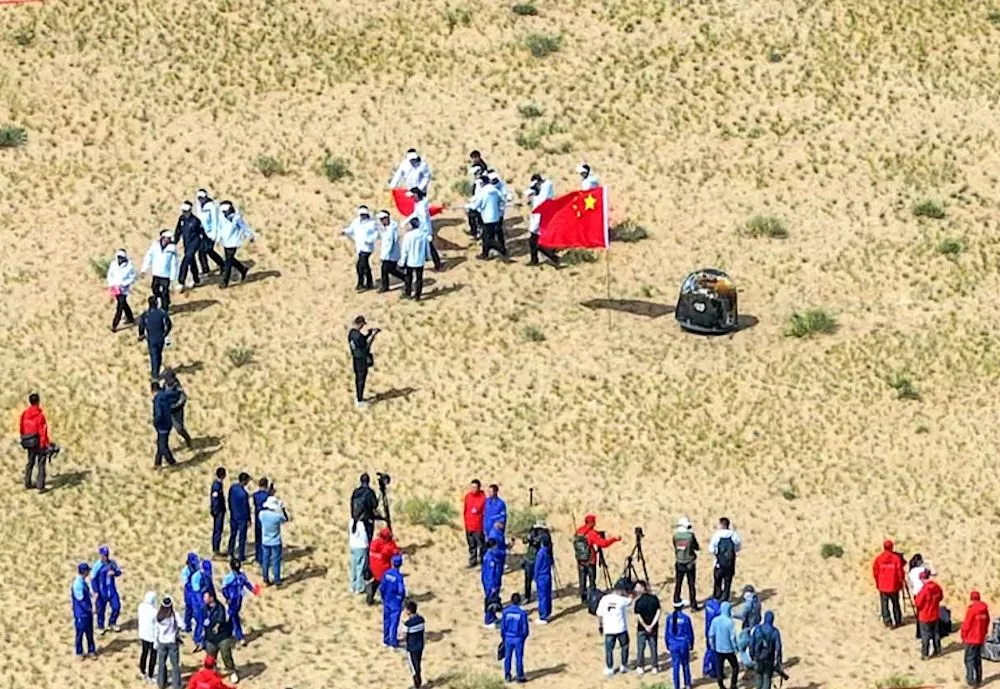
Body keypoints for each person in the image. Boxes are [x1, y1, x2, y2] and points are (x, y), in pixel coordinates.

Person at [574, 514, 621, 604]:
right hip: (590, 560)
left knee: (582, 580)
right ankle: (592, 598)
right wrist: (614, 539)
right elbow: (603, 543)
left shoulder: (579, 532)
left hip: (580, 560)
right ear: (592, 523)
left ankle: (583, 599)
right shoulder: (591, 533)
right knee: (592, 581)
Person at [596, 581, 633, 676]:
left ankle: (609, 668)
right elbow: (630, 600)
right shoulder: (622, 600)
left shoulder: (604, 599)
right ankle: (623, 666)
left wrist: (600, 626)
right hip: (621, 628)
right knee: (624, 646)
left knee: (609, 649)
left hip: (609, 629)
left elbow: (599, 614)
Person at [203, 589, 239, 684]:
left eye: (206, 597)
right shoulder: (205, 608)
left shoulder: (220, 608)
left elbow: (221, 619)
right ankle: (212, 673)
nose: (204, 599)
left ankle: (232, 672)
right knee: (210, 657)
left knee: (226, 655)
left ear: (211, 598)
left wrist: (217, 626)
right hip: (210, 638)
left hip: (222, 637)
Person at [217, 200, 254, 288]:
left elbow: (244, 227)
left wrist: (250, 235)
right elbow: (220, 227)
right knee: (230, 259)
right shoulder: (221, 216)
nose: (224, 213)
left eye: (226, 211)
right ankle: (242, 269)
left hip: (233, 242)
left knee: (228, 262)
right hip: (226, 241)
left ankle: (224, 282)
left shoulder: (236, 218)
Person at [525, 173, 560, 267]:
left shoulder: (538, 201)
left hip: (538, 223)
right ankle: (536, 259)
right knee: (535, 243)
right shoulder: (543, 193)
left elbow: (536, 217)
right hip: (543, 219)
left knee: (535, 243)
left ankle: (552, 257)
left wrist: (534, 229)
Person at [467, 175, 505, 260]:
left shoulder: (483, 192)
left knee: (487, 239)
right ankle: (485, 254)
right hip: (496, 217)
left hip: (487, 218)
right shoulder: (495, 190)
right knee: (487, 237)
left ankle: (501, 249)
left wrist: (468, 206)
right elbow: (502, 199)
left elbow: (476, 205)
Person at [141, 229, 179, 311]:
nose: (167, 240)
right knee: (154, 289)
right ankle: (164, 300)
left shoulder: (172, 249)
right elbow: (148, 257)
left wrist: (173, 277)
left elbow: (174, 263)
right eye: (166, 238)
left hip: (166, 275)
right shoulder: (155, 246)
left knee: (165, 291)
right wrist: (144, 269)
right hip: (156, 273)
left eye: (169, 239)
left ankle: (165, 308)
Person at [19, 392, 51, 491]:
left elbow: (21, 427)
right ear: (38, 402)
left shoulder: (25, 413)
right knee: (41, 462)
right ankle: (40, 486)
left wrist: (23, 437)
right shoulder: (40, 415)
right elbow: (42, 431)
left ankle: (27, 482)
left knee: (30, 461)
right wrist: (45, 443)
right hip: (37, 441)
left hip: (28, 440)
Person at [221, 558, 257, 645]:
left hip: (239, 599)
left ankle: (226, 632)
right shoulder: (229, 578)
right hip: (232, 600)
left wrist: (253, 590)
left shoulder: (242, 576)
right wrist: (228, 598)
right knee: (235, 618)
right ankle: (239, 637)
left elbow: (247, 584)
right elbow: (224, 589)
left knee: (233, 616)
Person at [343, 205, 379, 291]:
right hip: (359, 247)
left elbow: (375, 234)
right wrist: (344, 231)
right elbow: (351, 229)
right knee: (365, 265)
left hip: (367, 248)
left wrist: (369, 240)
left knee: (360, 266)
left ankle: (361, 283)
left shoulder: (372, 223)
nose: (362, 216)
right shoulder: (356, 221)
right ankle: (369, 283)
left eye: (364, 214)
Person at [407, 186, 442, 271]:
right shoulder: (418, 203)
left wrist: (427, 233)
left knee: (430, 247)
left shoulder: (422, 206)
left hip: (424, 230)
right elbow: (415, 213)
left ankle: (437, 264)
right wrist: (406, 220)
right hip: (421, 228)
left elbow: (424, 220)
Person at [348, 316, 380, 407]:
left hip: (355, 359)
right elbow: (366, 346)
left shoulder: (351, 333)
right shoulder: (358, 336)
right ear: (360, 323)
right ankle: (359, 400)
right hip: (361, 359)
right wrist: (373, 335)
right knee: (361, 379)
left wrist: (368, 334)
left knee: (358, 379)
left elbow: (362, 340)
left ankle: (359, 397)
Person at [138, 295, 173, 381]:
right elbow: (169, 324)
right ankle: (156, 370)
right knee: (159, 354)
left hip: (151, 338)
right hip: (160, 337)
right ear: (157, 303)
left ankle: (155, 374)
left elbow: (141, 326)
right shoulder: (162, 313)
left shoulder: (146, 314)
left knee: (154, 356)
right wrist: (165, 333)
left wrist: (141, 335)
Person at [872, 539, 905, 628]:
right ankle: (898, 620)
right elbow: (900, 572)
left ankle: (887, 621)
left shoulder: (879, 559)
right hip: (894, 585)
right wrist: (901, 581)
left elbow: (875, 572)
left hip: (883, 585)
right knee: (895, 603)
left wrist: (877, 582)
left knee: (884, 604)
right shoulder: (896, 558)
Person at [709, 518, 742, 602]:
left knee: (717, 582)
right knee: (727, 583)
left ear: (721, 525)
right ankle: (725, 599)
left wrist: (717, 553)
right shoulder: (734, 535)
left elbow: (711, 549)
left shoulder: (717, 535)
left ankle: (717, 598)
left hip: (719, 563)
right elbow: (738, 547)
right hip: (730, 564)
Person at [707, 602, 739, 689]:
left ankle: (721, 685)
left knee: (719, 668)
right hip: (729, 650)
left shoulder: (715, 620)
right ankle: (733, 684)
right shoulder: (730, 622)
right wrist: (736, 648)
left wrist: (713, 645)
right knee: (735, 667)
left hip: (718, 649)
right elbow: (732, 638)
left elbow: (711, 635)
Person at [155, 596, 184, 689]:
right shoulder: (174, 615)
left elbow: (156, 630)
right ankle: (177, 685)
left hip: (162, 641)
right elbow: (182, 625)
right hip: (172, 642)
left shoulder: (158, 616)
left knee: (161, 663)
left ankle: (161, 683)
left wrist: (156, 641)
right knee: (175, 664)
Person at [962, 591, 990, 687]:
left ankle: (970, 680)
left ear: (972, 599)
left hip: (971, 638)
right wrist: (984, 633)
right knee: (977, 659)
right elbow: (987, 621)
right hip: (980, 638)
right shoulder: (984, 609)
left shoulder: (972, 610)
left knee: (969, 659)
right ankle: (979, 679)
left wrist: (963, 635)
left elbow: (967, 624)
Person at [174, 201, 205, 291]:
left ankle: (181, 281)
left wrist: (201, 245)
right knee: (192, 261)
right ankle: (196, 279)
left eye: (186, 211)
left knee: (186, 260)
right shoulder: (182, 219)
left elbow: (201, 233)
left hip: (194, 243)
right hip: (186, 243)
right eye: (183, 211)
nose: (184, 213)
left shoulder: (195, 221)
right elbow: (178, 231)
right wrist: (174, 242)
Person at [92, 545, 123, 634]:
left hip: (112, 590)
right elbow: (93, 579)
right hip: (102, 591)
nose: (105, 557)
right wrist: (96, 591)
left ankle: (112, 622)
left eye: (106, 555)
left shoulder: (112, 563)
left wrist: (114, 573)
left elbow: (118, 572)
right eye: (104, 555)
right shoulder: (97, 566)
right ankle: (100, 626)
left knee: (116, 607)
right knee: (101, 610)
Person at [195, 189, 226, 275]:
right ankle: (206, 269)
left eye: (202, 198)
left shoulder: (211, 206)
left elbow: (215, 220)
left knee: (207, 250)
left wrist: (214, 234)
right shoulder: (198, 205)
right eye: (199, 198)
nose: (201, 200)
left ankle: (222, 265)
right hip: (201, 231)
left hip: (210, 232)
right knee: (203, 251)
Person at [259, 495, 289, 586]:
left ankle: (265, 578)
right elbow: (285, 519)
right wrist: (282, 509)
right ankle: (277, 580)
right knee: (276, 561)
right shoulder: (277, 516)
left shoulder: (262, 514)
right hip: (275, 541)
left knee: (266, 560)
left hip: (265, 540)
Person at [749, 611, 783, 689]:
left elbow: (751, 643)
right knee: (767, 678)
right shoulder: (775, 632)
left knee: (758, 676)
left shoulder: (757, 629)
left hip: (758, 658)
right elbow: (778, 648)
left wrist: (752, 655)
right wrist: (778, 661)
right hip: (769, 660)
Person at [500, 593, 530, 683]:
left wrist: (503, 636)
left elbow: (503, 626)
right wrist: (524, 637)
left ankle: (507, 675)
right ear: (519, 601)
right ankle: (520, 676)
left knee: (508, 657)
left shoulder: (506, 612)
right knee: (519, 657)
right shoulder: (522, 613)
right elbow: (525, 628)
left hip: (508, 637)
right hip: (518, 638)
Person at [665, 601, 695, 689]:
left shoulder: (669, 618)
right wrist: (691, 644)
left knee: (675, 666)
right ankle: (687, 683)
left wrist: (667, 644)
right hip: (683, 644)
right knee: (685, 664)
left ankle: (676, 686)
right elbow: (690, 633)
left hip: (673, 645)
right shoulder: (686, 618)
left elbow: (667, 633)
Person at [672, 517, 700, 610]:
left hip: (679, 561)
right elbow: (696, 547)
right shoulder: (690, 536)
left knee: (678, 583)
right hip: (689, 562)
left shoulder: (675, 536)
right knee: (691, 584)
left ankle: (676, 601)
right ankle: (693, 604)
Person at [915, 570, 944, 658]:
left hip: (925, 615)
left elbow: (918, 603)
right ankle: (938, 650)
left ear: (923, 579)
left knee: (925, 635)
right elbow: (941, 597)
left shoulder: (924, 590)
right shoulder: (937, 587)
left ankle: (925, 653)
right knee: (936, 633)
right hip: (935, 614)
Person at [634, 580, 661, 674]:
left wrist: (645, 626)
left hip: (642, 628)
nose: (635, 589)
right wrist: (652, 625)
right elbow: (658, 612)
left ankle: (641, 666)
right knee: (653, 647)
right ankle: (655, 666)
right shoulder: (655, 599)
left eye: (637, 587)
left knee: (641, 648)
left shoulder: (638, 601)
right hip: (653, 628)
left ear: (643, 588)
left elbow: (638, 616)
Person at [107, 249, 138, 331]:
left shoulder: (129, 266)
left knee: (120, 307)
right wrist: (112, 284)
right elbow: (110, 275)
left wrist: (123, 284)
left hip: (124, 289)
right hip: (115, 288)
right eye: (119, 257)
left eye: (122, 257)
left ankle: (114, 325)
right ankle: (130, 318)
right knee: (124, 304)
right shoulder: (113, 264)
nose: (120, 259)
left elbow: (132, 277)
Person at [398, 217, 429, 300]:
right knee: (419, 278)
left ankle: (408, 293)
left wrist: (402, 260)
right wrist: (427, 257)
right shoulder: (423, 234)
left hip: (410, 261)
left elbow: (405, 249)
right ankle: (417, 295)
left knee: (409, 277)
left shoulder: (408, 235)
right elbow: (427, 247)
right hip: (420, 260)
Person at [367, 527, 400, 605]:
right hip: (384, 569)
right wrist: (393, 542)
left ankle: (370, 598)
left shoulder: (374, 543)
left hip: (373, 567)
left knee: (376, 582)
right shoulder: (389, 547)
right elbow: (396, 552)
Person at [380, 554, 407, 648]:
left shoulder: (386, 573)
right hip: (395, 602)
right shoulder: (399, 577)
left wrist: (383, 597)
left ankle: (386, 639)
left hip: (387, 600)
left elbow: (382, 587)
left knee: (386, 620)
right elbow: (401, 591)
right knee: (394, 622)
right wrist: (402, 599)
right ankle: (393, 642)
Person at [376, 210, 406, 292]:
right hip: (388, 254)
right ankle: (404, 278)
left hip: (391, 254)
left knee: (387, 269)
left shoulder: (392, 229)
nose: (382, 221)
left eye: (383, 219)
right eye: (381, 219)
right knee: (389, 270)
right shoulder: (387, 227)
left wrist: (384, 256)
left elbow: (390, 243)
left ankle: (386, 286)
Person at [71, 562, 97, 658]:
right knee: (80, 633)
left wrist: (92, 595)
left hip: (86, 613)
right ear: (84, 572)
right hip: (81, 614)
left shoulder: (82, 582)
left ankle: (91, 650)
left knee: (90, 632)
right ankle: (79, 652)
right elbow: (81, 601)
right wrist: (91, 610)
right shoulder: (77, 585)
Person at [162, 369, 193, 448]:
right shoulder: (165, 385)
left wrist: (175, 406)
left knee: (179, 428)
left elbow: (183, 398)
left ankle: (187, 439)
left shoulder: (177, 386)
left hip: (176, 412)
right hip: (167, 410)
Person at [152, 382, 179, 467]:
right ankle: (157, 462)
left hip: (162, 424)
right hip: (168, 422)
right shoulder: (166, 396)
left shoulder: (158, 399)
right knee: (160, 443)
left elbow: (159, 414)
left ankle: (171, 461)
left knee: (163, 445)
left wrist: (155, 421)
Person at [523, 521, 551, 603]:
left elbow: (547, 544)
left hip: (539, 559)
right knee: (528, 579)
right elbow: (525, 541)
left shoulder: (545, 535)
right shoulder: (532, 532)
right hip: (530, 558)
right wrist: (529, 538)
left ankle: (540, 596)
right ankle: (527, 596)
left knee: (540, 578)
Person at [227, 472, 251, 562]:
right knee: (242, 537)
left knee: (232, 535)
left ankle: (230, 552)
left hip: (233, 515)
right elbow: (246, 507)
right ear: (244, 481)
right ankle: (241, 555)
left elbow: (229, 500)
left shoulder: (233, 488)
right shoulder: (243, 494)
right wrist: (248, 519)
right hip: (242, 518)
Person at [350, 473, 381, 543]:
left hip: (356, 519)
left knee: (358, 540)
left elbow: (352, 505)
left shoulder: (356, 492)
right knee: (368, 539)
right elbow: (374, 505)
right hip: (367, 519)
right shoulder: (369, 492)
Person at [463, 479, 487, 567]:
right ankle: (473, 561)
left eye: (475, 487)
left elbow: (482, 511)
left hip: (478, 526)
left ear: (479, 488)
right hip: (469, 525)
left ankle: (483, 560)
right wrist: (465, 522)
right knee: (471, 544)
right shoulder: (468, 496)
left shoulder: (482, 498)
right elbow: (465, 510)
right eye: (472, 487)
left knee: (481, 545)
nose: (473, 489)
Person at [403, 600, 426, 689]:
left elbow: (404, 636)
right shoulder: (421, 620)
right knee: (418, 664)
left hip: (411, 648)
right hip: (420, 646)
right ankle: (419, 683)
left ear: (408, 611)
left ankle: (417, 685)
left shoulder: (408, 624)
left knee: (413, 668)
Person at [482, 539, 505, 626]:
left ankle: (493, 616)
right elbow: (491, 574)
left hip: (491, 581)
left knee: (493, 599)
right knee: (490, 599)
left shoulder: (489, 555)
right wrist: (492, 586)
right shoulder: (490, 558)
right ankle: (488, 620)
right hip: (491, 582)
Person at [138, 591, 158, 683]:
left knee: (144, 653)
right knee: (153, 656)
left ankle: (142, 670)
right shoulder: (154, 612)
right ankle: (150, 674)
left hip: (143, 634)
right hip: (152, 637)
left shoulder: (141, 607)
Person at [534, 534, 554, 624]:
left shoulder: (541, 553)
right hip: (547, 575)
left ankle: (543, 616)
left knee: (542, 596)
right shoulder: (548, 551)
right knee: (547, 595)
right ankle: (547, 612)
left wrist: (535, 576)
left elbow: (537, 566)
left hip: (541, 576)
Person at [348, 514, 370, 594]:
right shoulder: (361, 525)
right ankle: (359, 587)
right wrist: (367, 546)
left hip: (353, 546)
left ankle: (352, 586)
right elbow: (364, 537)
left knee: (353, 567)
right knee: (360, 567)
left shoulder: (351, 522)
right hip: (361, 547)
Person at [252, 478, 270, 563]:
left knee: (258, 539)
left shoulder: (255, 495)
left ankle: (257, 556)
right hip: (265, 520)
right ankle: (263, 558)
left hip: (257, 518)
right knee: (264, 540)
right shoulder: (268, 496)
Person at [181, 552, 200, 633]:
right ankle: (188, 625)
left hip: (195, 592)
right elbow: (185, 582)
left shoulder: (197, 568)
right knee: (189, 608)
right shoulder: (185, 571)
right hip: (189, 592)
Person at [210, 468, 228, 556]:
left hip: (219, 510)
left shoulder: (218, 484)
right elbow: (215, 499)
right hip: (219, 511)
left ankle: (216, 547)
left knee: (218, 529)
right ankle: (216, 549)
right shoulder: (217, 486)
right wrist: (216, 510)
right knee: (218, 529)